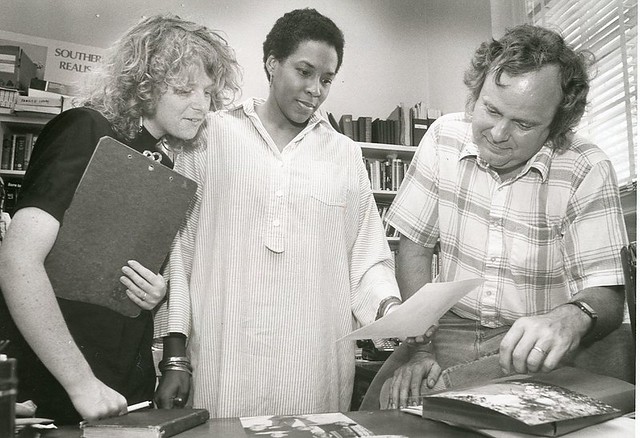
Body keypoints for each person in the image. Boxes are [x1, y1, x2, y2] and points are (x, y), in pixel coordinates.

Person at [363, 24, 630, 410]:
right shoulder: (442, 137)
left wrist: (571, 318)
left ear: (557, 127)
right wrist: (420, 350)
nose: (498, 133)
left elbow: (607, 294)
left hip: (532, 336)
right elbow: (415, 248)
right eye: (490, 110)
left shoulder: (587, 167)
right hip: (446, 326)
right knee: (378, 408)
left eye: (523, 125)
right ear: (477, 93)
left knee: (460, 406)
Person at [154, 8, 401, 417]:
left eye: (326, 79)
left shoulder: (345, 155)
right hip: (222, 368)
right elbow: (179, 254)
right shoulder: (208, 137)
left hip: (314, 374)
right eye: (304, 72)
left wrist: (390, 308)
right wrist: (175, 356)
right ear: (271, 64)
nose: (315, 90)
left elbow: (367, 257)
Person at [0, 14, 241, 424]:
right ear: (143, 85)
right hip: (62, 387)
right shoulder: (87, 130)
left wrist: (154, 291)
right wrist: (81, 383)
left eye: (208, 93)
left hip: (122, 383)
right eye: (185, 89)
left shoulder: (163, 161)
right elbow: (17, 261)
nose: (202, 106)